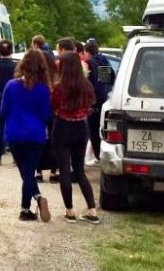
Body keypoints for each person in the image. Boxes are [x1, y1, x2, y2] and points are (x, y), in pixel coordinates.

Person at [2, 49, 53, 222]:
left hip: (15, 133)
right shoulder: (43, 89)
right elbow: (46, 115)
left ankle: (31, 204)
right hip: (35, 134)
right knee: (29, 172)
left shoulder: (11, 85)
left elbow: (3, 110)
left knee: (26, 174)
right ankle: (26, 208)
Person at [52, 51, 100, 224]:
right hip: (81, 127)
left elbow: (54, 107)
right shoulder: (87, 85)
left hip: (63, 127)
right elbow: (91, 104)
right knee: (80, 171)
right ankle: (92, 210)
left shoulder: (59, 87)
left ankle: (70, 211)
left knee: (64, 170)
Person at [32, 35, 59, 183]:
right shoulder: (54, 67)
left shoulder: (35, 72)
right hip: (52, 104)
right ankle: (54, 171)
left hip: (38, 104)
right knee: (54, 137)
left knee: (38, 136)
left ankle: (38, 171)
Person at [84, 39, 111, 161]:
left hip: (93, 102)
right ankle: (101, 155)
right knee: (102, 129)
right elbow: (106, 83)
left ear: (87, 52)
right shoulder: (104, 61)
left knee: (93, 131)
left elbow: (89, 84)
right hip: (104, 100)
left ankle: (98, 155)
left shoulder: (89, 63)